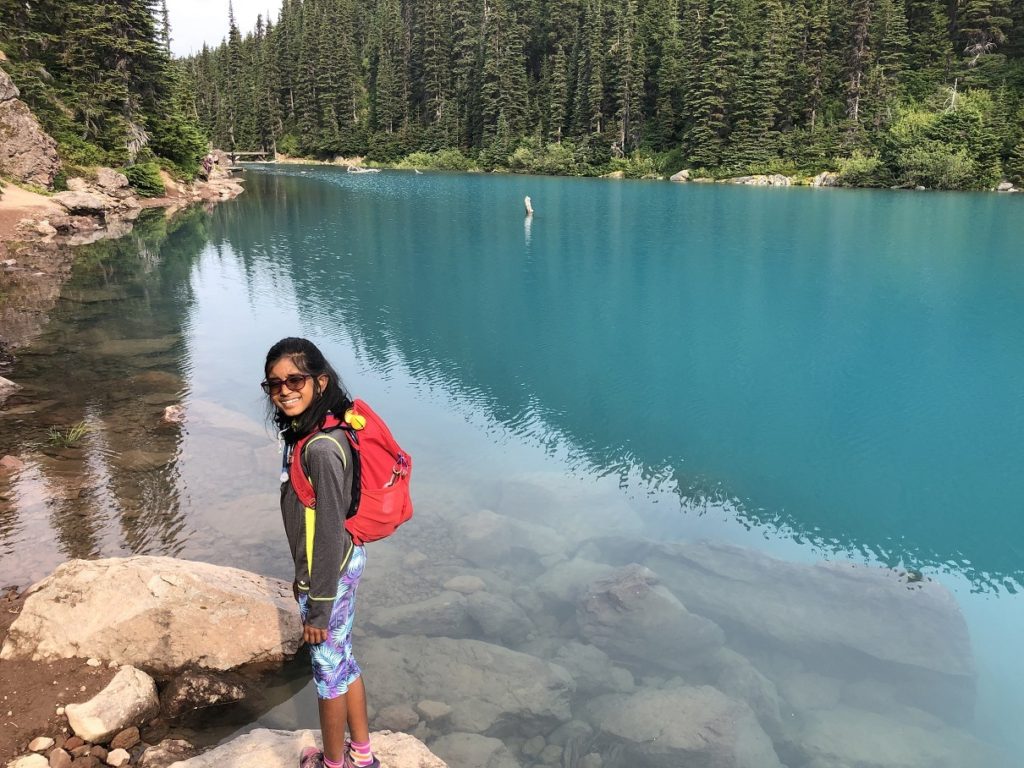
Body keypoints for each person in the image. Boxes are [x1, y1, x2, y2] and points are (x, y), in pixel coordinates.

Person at [262, 337, 379, 768]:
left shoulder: (322, 449)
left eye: (295, 379)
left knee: (328, 674)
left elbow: (327, 531)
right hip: (344, 562)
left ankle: (333, 764)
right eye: (274, 384)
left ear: (320, 380)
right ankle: (362, 755)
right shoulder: (316, 431)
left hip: (329, 573)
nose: (285, 390)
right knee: (344, 658)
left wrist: (318, 607)